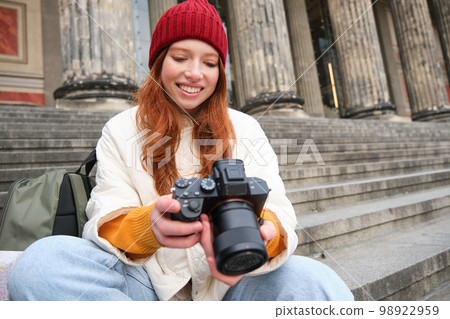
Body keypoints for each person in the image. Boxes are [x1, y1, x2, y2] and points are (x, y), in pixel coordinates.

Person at [8, 0, 353, 301]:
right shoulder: (121, 128)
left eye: (209, 62)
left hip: (230, 287)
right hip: (144, 283)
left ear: (221, 71)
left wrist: (265, 236)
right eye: (180, 57)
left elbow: (278, 209)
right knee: (41, 265)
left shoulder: (245, 128)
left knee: (318, 283)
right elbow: (105, 214)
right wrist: (152, 226)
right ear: (158, 61)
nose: (194, 73)